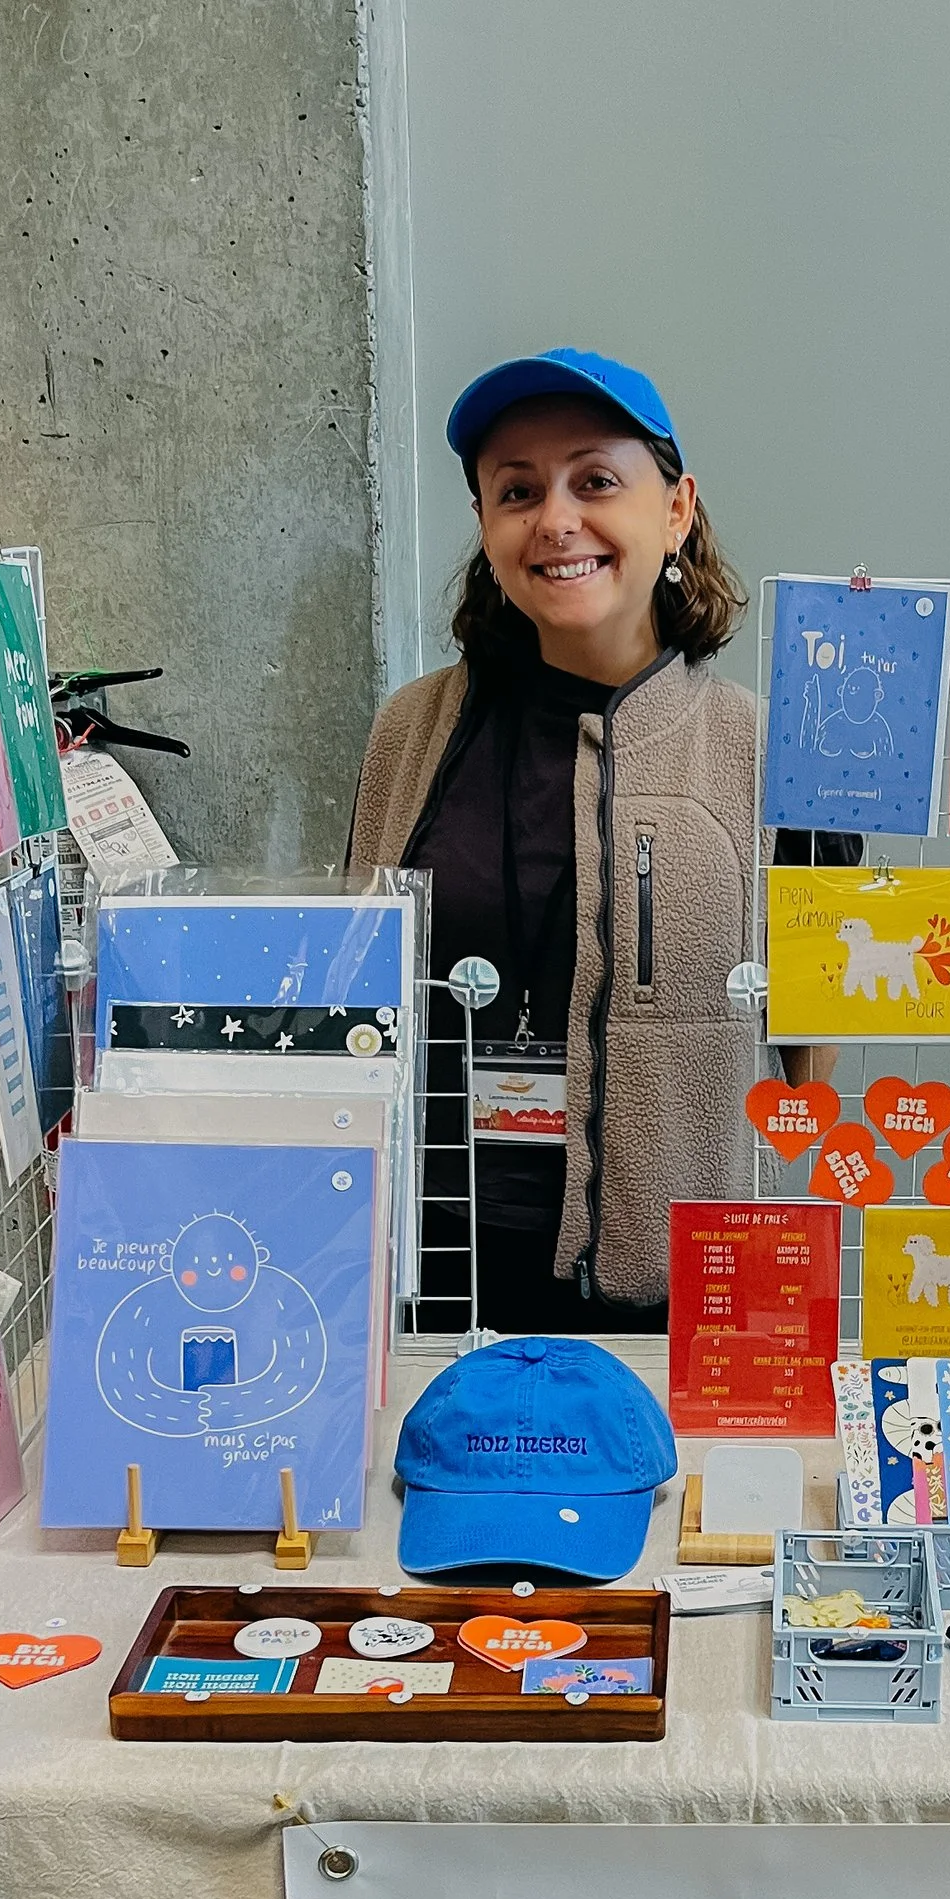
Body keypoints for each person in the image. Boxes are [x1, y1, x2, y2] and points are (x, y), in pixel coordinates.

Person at [350, 348, 787, 1334]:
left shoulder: (765, 754)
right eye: (517, 490)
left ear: (675, 510)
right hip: (432, 1294)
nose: (555, 519)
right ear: (487, 528)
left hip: (673, 1311)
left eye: (595, 480)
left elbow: (812, 1063)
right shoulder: (408, 734)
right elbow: (357, 997)